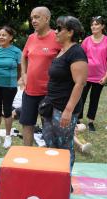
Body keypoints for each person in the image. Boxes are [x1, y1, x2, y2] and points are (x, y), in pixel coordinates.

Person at [42, 16, 87, 180]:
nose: (55, 31)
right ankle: (53, 178)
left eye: (59, 28)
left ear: (70, 32)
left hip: (64, 109)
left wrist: (68, 111)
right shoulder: (62, 50)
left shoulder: (76, 52)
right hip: (51, 105)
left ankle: (64, 182)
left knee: (64, 146)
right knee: (50, 142)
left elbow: (80, 83)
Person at [20, 6, 61, 146]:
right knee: (27, 123)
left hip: (49, 93)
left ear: (47, 18)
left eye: (37, 17)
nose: (33, 20)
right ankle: (27, 154)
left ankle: (49, 157)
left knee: (49, 127)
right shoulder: (31, 38)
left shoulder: (57, 37)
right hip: (30, 90)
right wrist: (23, 74)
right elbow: (23, 56)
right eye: (32, 18)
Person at [0, 26, 22, 148]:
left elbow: (20, 69)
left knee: (7, 111)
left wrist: (14, 80)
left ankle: (7, 137)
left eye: (4, 35)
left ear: (11, 37)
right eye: (0, 34)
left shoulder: (16, 51)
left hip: (9, 86)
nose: (1, 37)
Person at [79, 16, 107, 131]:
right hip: (85, 75)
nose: (93, 26)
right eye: (92, 24)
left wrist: (106, 76)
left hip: (100, 77)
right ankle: (77, 119)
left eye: (96, 24)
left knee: (94, 99)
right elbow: (80, 58)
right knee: (81, 98)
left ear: (102, 26)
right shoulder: (86, 40)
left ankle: (90, 121)